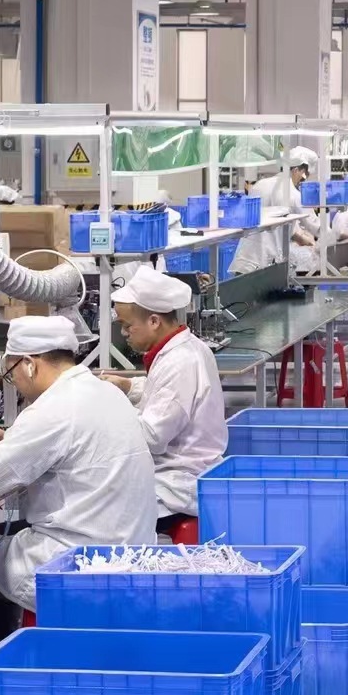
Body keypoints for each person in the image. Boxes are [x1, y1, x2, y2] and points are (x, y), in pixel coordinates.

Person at [0, 316, 157, 674]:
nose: (16, 384)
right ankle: (11, 653)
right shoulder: (103, 392)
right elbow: (68, 444)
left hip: (81, 561)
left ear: (29, 364)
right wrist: (12, 439)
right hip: (130, 545)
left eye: (11, 375)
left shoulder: (52, 410)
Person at [104, 267, 227, 534]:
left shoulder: (179, 362)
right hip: (181, 471)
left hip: (176, 483)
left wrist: (108, 411)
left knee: (96, 512)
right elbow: (166, 395)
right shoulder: (186, 348)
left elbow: (152, 437)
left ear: (154, 321)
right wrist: (127, 386)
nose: (124, 333)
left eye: (127, 326)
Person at [229, 146, 320, 275]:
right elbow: (316, 227)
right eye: (305, 176)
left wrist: (300, 237)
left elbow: (274, 220)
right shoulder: (294, 194)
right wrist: (331, 239)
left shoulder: (259, 185)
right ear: (297, 170)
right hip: (264, 266)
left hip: (244, 261)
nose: (303, 181)